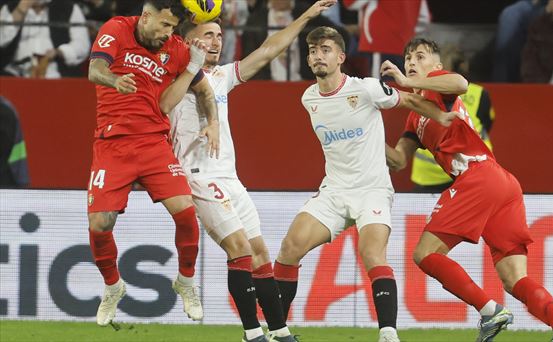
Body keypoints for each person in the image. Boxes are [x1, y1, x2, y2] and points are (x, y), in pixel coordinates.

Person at [383, 37, 553, 342]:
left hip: (477, 177)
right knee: (514, 278)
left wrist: (405, 81)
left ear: (436, 66)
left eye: (420, 56)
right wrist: (363, 137)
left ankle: (489, 311)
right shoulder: (415, 114)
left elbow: (461, 83)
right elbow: (397, 160)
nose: (411, 62)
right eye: (407, 57)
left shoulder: (439, 84)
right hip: (500, 183)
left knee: (425, 254)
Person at [160, 1, 338, 341]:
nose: (216, 41)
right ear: (188, 43)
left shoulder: (221, 77)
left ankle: (281, 333)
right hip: (198, 175)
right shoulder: (174, 78)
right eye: (207, 35)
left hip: (229, 177)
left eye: (219, 35)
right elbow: (164, 104)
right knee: (240, 249)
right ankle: (253, 334)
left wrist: (305, 16)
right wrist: (189, 64)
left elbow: (269, 49)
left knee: (260, 255)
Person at [273, 27, 458, 342]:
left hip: (372, 189)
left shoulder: (368, 89)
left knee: (371, 252)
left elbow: (410, 101)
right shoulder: (309, 98)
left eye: (326, 49)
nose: (318, 55)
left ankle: (388, 334)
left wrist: (439, 118)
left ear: (341, 57)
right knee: (290, 248)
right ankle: (278, 331)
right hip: (334, 190)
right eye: (313, 50)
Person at [86, 0, 219, 327]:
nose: (167, 33)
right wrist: (114, 81)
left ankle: (186, 282)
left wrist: (212, 121)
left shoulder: (176, 49)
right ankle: (113, 286)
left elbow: (202, 92)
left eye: (172, 28)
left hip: (153, 143)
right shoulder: (116, 29)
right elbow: (94, 70)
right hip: (112, 143)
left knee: (187, 213)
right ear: (146, 16)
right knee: (99, 224)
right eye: (163, 25)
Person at [411, 45, 495, 193]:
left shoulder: (424, 90)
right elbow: (488, 124)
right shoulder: (480, 93)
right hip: (469, 170)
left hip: (428, 176)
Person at [241, 0, 349, 81]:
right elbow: (249, 55)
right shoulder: (256, 20)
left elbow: (340, 35)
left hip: (303, 82)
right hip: (266, 85)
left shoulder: (308, 14)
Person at [0, 0, 91, 78]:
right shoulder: (10, 8)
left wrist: (59, 52)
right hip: (15, 75)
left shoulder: (69, 8)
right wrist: (21, 8)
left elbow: (82, 45)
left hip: (56, 75)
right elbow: (2, 40)